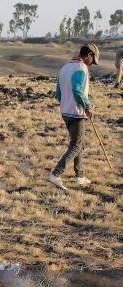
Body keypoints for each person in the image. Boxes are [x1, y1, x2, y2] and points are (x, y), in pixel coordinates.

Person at [48, 43, 100, 191]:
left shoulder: (65, 67)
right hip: (77, 114)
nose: (92, 63)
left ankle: (80, 176)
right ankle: (56, 174)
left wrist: (66, 104)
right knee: (76, 145)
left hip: (65, 112)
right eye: (93, 59)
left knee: (79, 144)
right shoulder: (81, 68)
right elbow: (77, 90)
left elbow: (58, 93)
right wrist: (89, 107)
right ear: (89, 55)